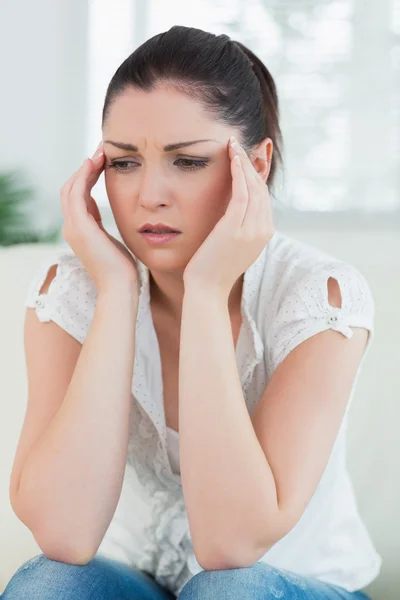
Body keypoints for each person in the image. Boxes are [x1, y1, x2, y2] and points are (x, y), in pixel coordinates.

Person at [3, 25, 381, 600]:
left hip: (284, 589)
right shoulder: (75, 291)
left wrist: (206, 291)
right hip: (144, 586)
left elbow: (231, 548)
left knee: (229, 592)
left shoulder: (318, 296)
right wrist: (115, 290)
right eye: (124, 163)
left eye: (188, 162)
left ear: (255, 166)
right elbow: (64, 534)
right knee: (47, 585)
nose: (150, 193)